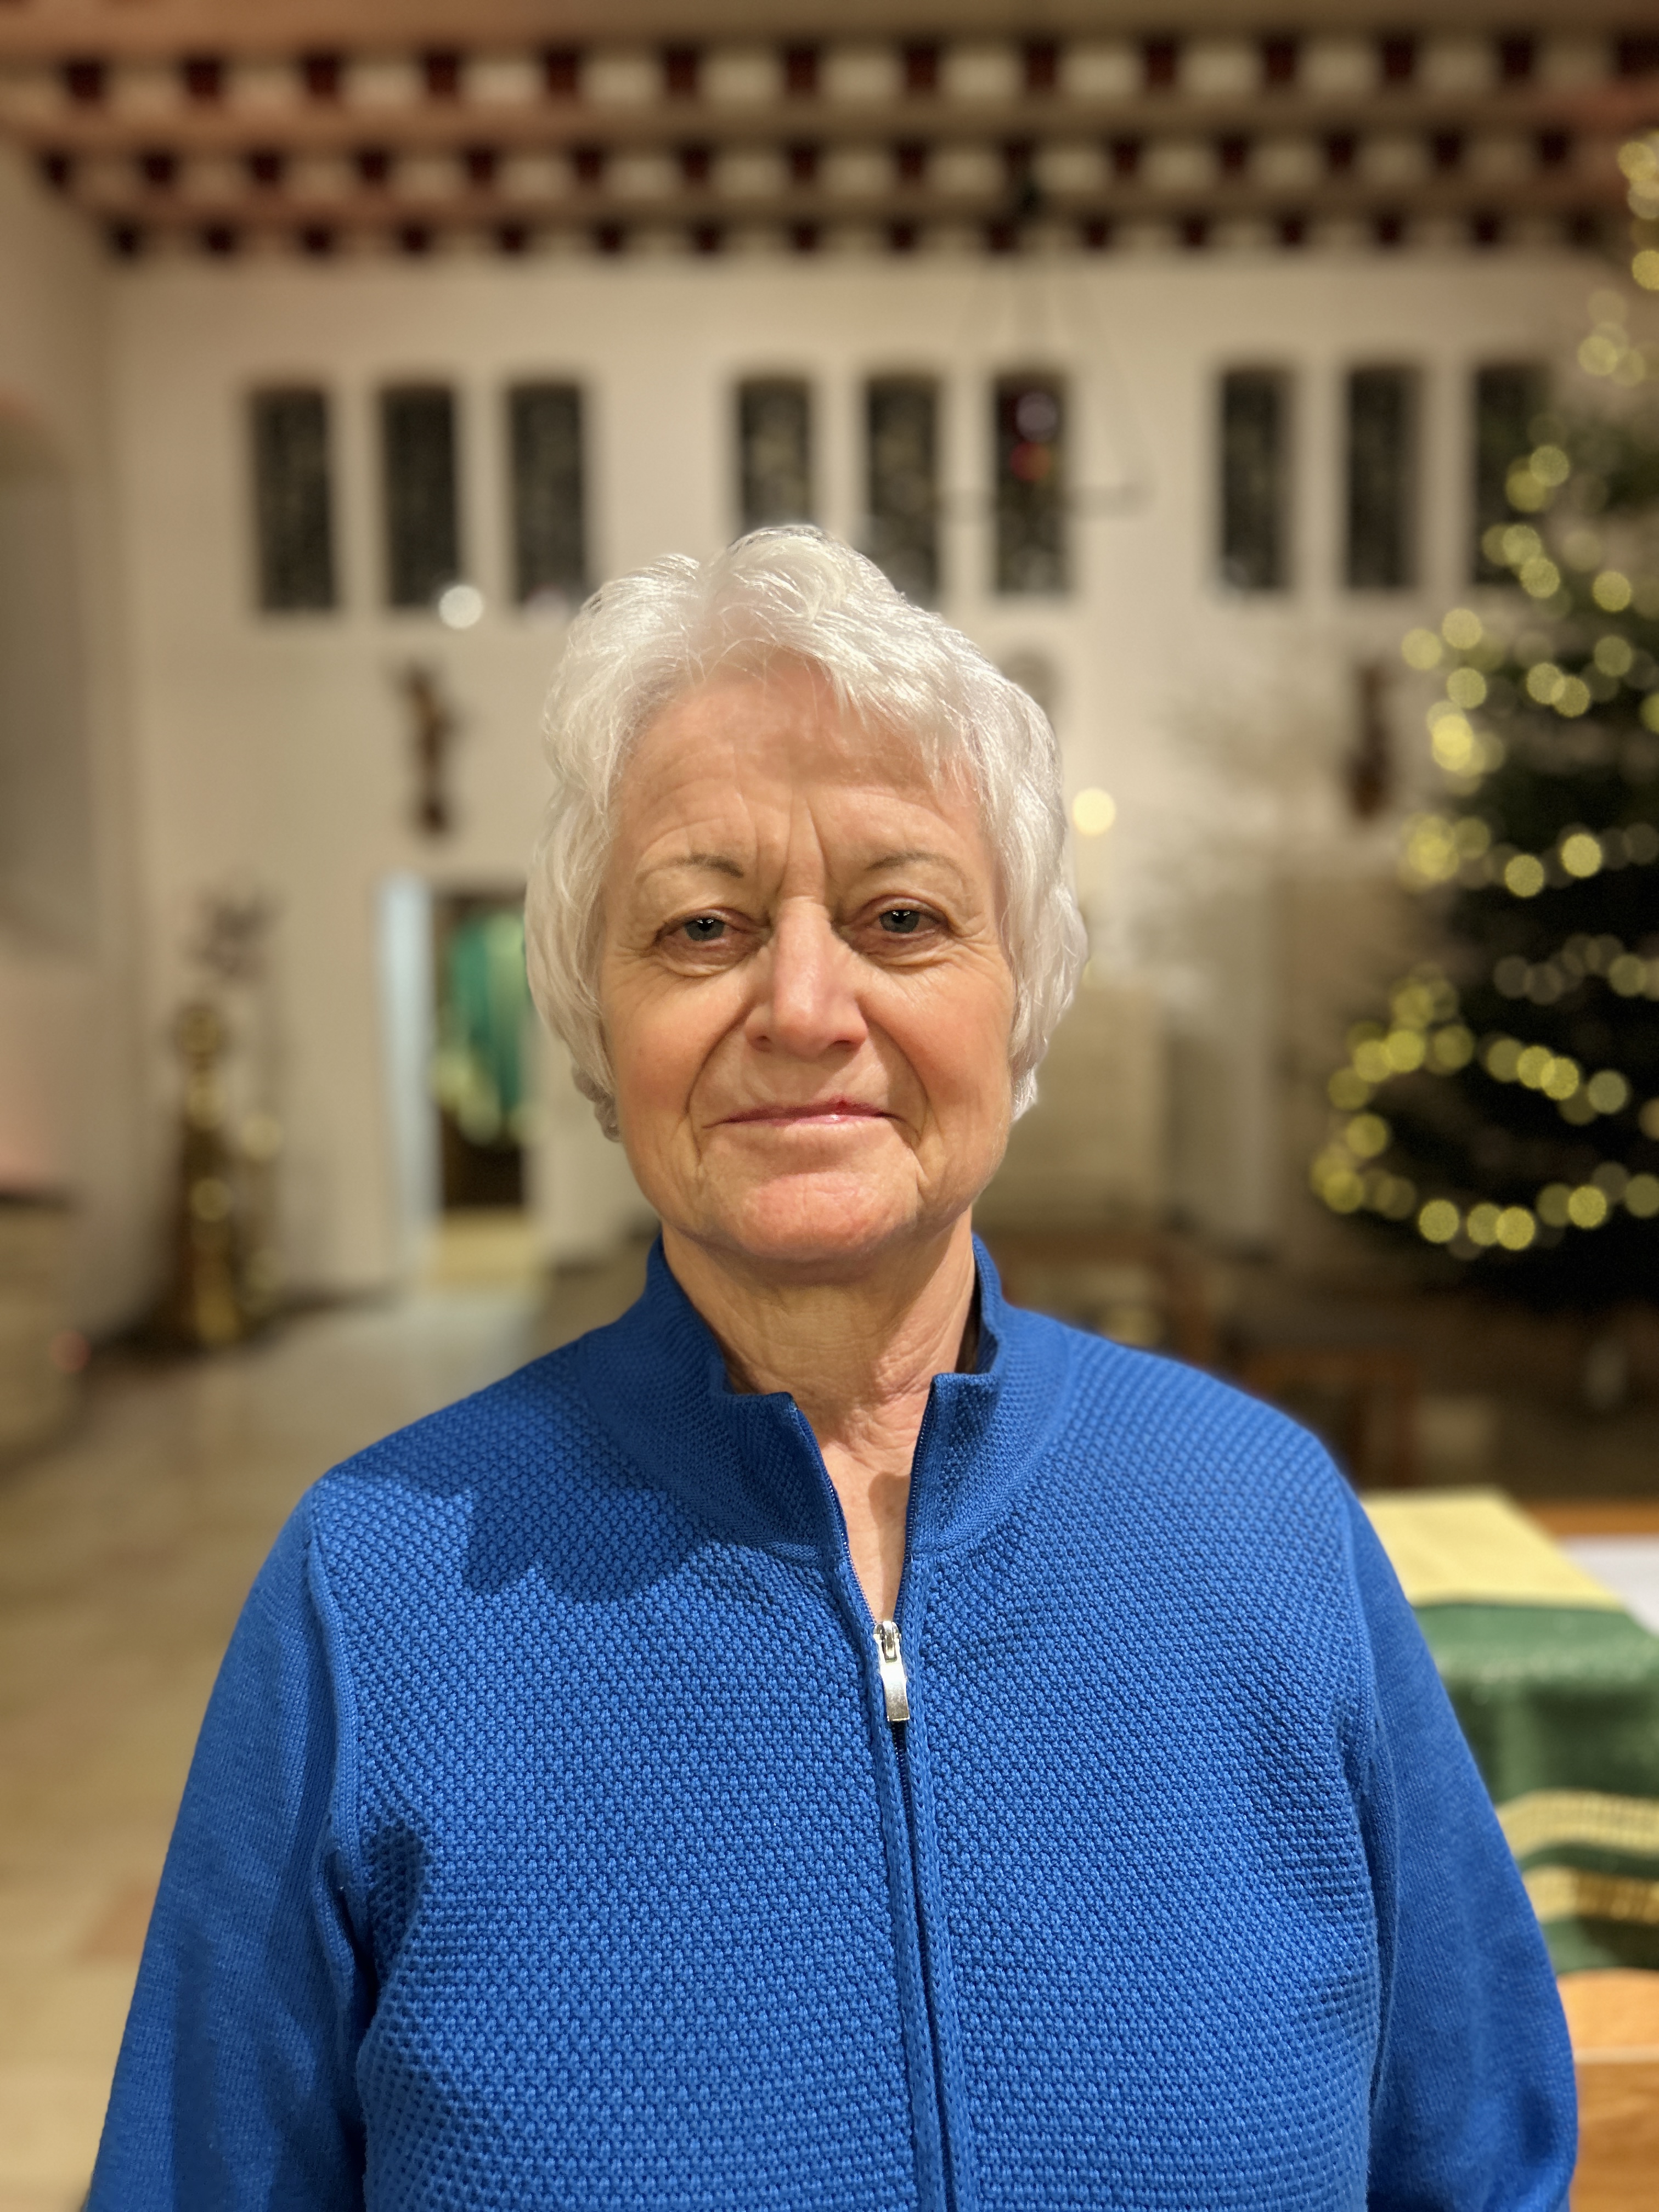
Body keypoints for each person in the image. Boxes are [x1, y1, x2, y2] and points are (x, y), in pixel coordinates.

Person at [91, 528, 1575, 2210]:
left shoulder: (1265, 1521)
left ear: (1020, 1000)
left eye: (903, 917)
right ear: (597, 1019)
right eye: (703, 925)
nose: (805, 1006)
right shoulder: (371, 1595)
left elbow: (1484, 2168)